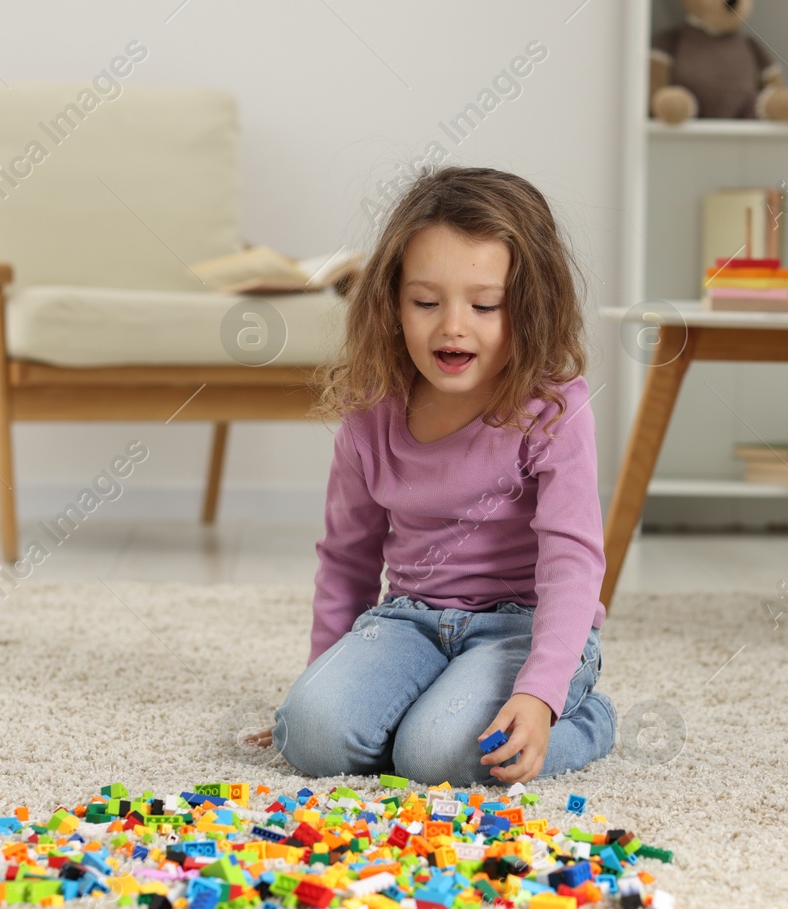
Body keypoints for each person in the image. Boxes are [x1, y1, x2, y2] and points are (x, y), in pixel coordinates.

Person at [252, 166, 614, 786]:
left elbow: (572, 561)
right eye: (426, 302)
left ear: (529, 308)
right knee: (310, 737)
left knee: (439, 757)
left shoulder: (552, 408)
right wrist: (320, 686)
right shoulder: (373, 410)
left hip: (523, 626)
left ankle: (585, 719)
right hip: (409, 619)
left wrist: (541, 692)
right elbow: (347, 558)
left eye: (485, 305)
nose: (452, 325)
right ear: (393, 303)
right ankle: (418, 710)